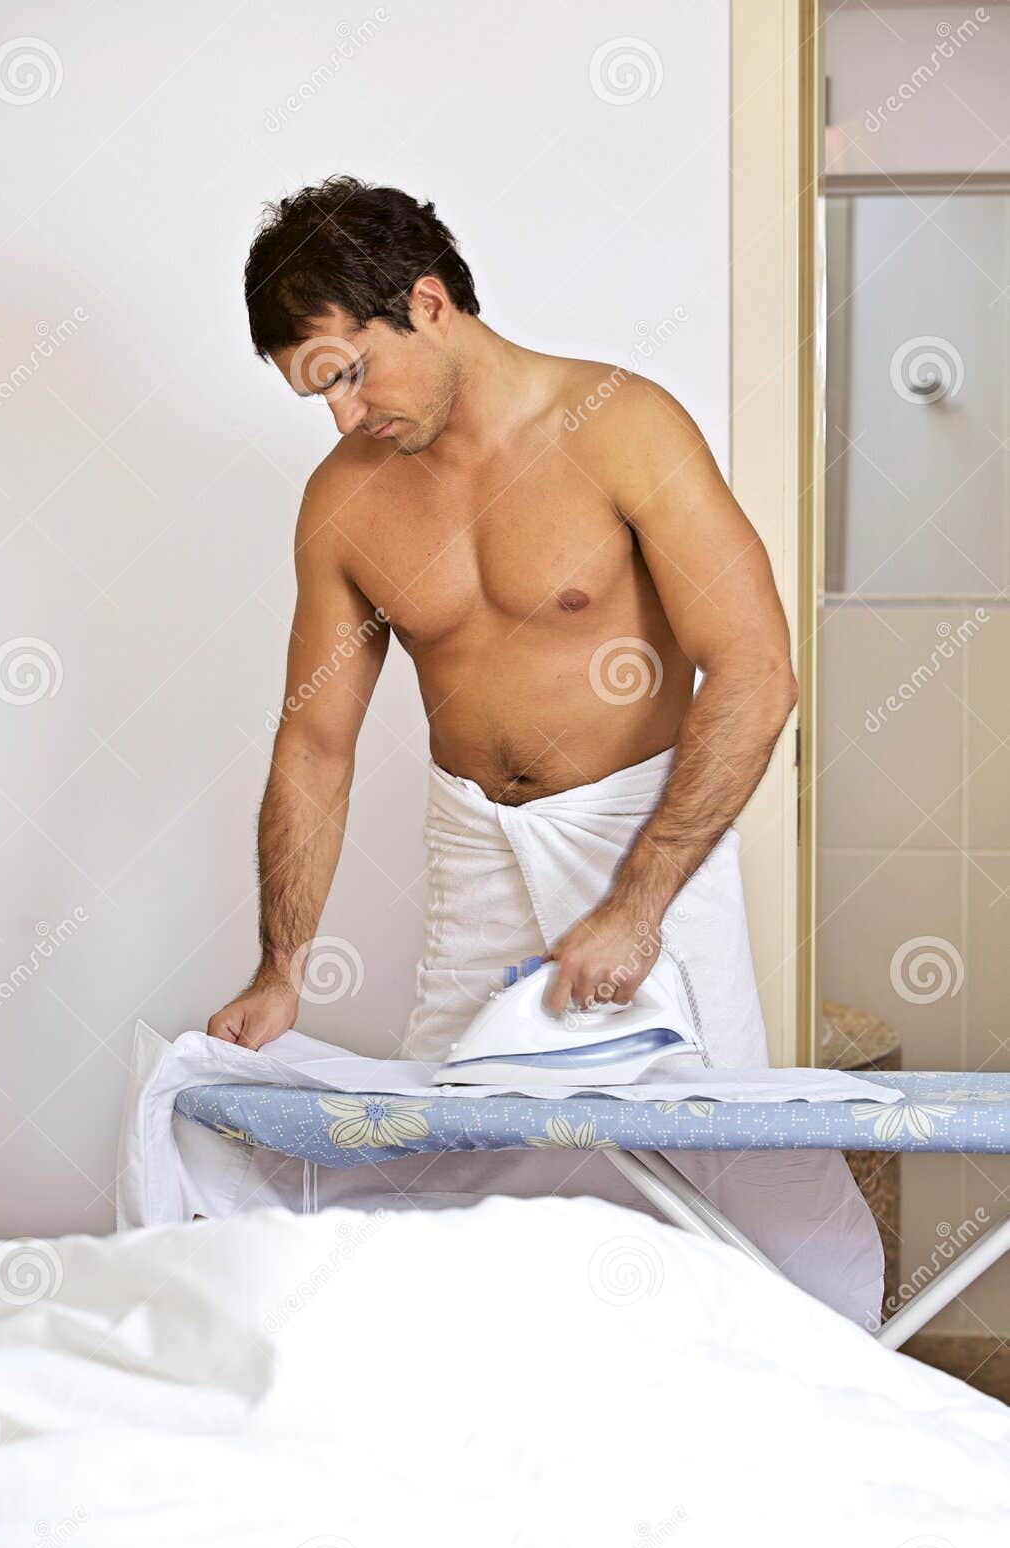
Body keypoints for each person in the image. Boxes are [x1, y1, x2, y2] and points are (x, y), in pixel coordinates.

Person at [207, 177, 883, 1324]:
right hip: (472, 846)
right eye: (313, 393)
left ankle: (779, 1427)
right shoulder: (342, 503)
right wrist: (282, 968)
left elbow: (756, 670)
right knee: (435, 1163)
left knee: (713, 1170)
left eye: (346, 371)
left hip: (645, 835)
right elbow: (316, 745)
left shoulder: (619, 425)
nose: (340, 414)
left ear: (426, 302)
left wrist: (639, 898)